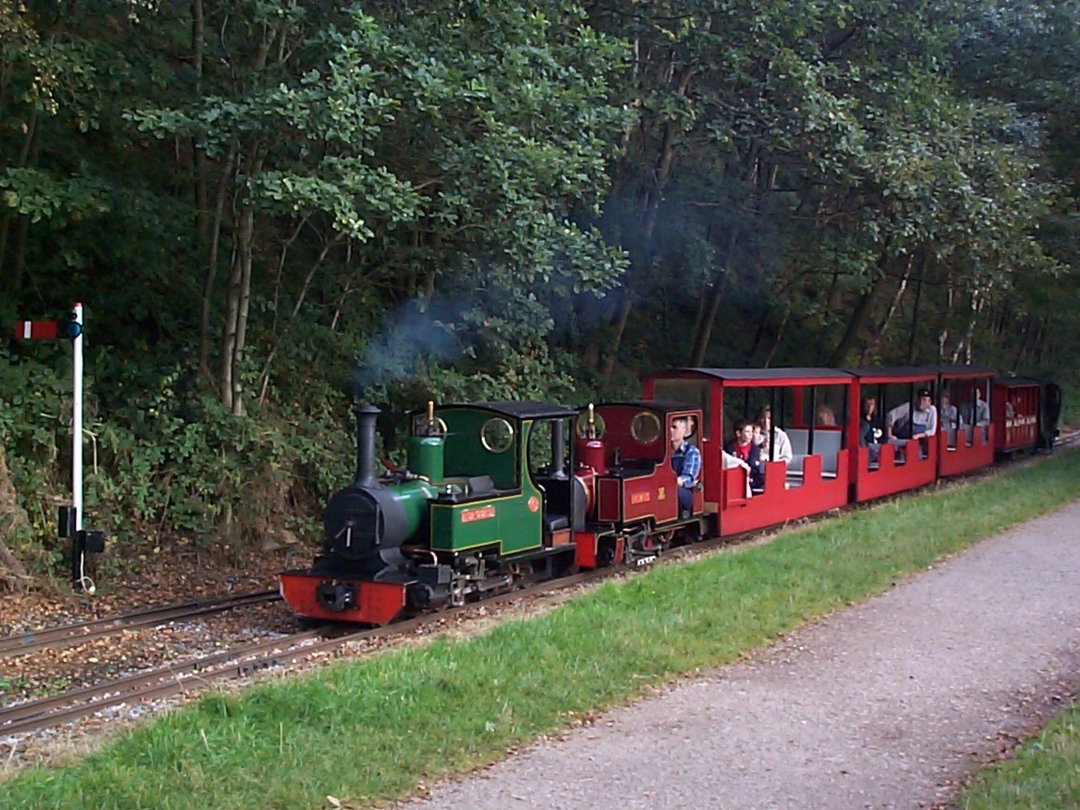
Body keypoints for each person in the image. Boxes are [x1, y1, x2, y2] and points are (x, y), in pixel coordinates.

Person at [669, 416, 701, 518]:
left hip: (685, 491)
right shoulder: (663, 452)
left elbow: (688, 477)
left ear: (684, 430)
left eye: (674, 427)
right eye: (668, 427)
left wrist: (672, 481)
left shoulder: (692, 452)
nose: (670, 430)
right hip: (665, 488)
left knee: (675, 492)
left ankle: (685, 513)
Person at [726, 420, 764, 492]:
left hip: (751, 485)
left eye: (752, 432)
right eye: (747, 432)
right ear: (738, 433)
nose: (751, 434)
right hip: (731, 484)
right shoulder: (728, 448)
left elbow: (756, 470)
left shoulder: (755, 449)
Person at [859, 396, 883, 466]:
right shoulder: (860, 422)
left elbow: (884, 436)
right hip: (867, 453)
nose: (869, 407)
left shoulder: (878, 421)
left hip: (879, 452)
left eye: (872, 404)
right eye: (867, 404)